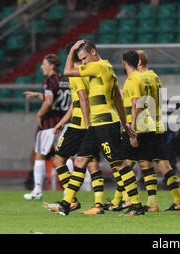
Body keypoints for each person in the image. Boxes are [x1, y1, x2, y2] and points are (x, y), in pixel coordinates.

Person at [61, 40, 143, 216]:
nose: (82, 62)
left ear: (92, 52)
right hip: (97, 125)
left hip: (105, 124)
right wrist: (125, 123)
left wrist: (72, 50)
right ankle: (66, 204)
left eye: (83, 58)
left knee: (119, 164)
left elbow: (67, 71)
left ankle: (136, 205)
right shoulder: (107, 68)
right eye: (79, 59)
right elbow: (118, 101)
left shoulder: (98, 67)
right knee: (80, 161)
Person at [111, 50, 180, 213]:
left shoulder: (137, 79)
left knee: (127, 162)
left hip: (143, 124)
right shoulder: (154, 76)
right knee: (157, 163)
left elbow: (137, 103)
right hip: (156, 123)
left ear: (136, 63)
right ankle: (173, 201)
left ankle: (122, 200)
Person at [42, 41, 103, 215]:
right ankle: (98, 204)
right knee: (92, 164)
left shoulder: (75, 73)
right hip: (91, 122)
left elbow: (82, 99)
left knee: (59, 160)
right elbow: (77, 102)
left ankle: (71, 200)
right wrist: (62, 122)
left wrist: (84, 122)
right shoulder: (88, 71)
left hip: (80, 125)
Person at [23, 54, 71, 201]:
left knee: (39, 154)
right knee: (65, 156)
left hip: (50, 123)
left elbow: (50, 101)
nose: (42, 67)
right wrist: (38, 95)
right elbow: (57, 97)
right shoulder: (64, 81)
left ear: (51, 66)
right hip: (65, 122)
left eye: (44, 64)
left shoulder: (49, 81)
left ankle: (37, 190)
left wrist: (39, 114)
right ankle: (68, 191)